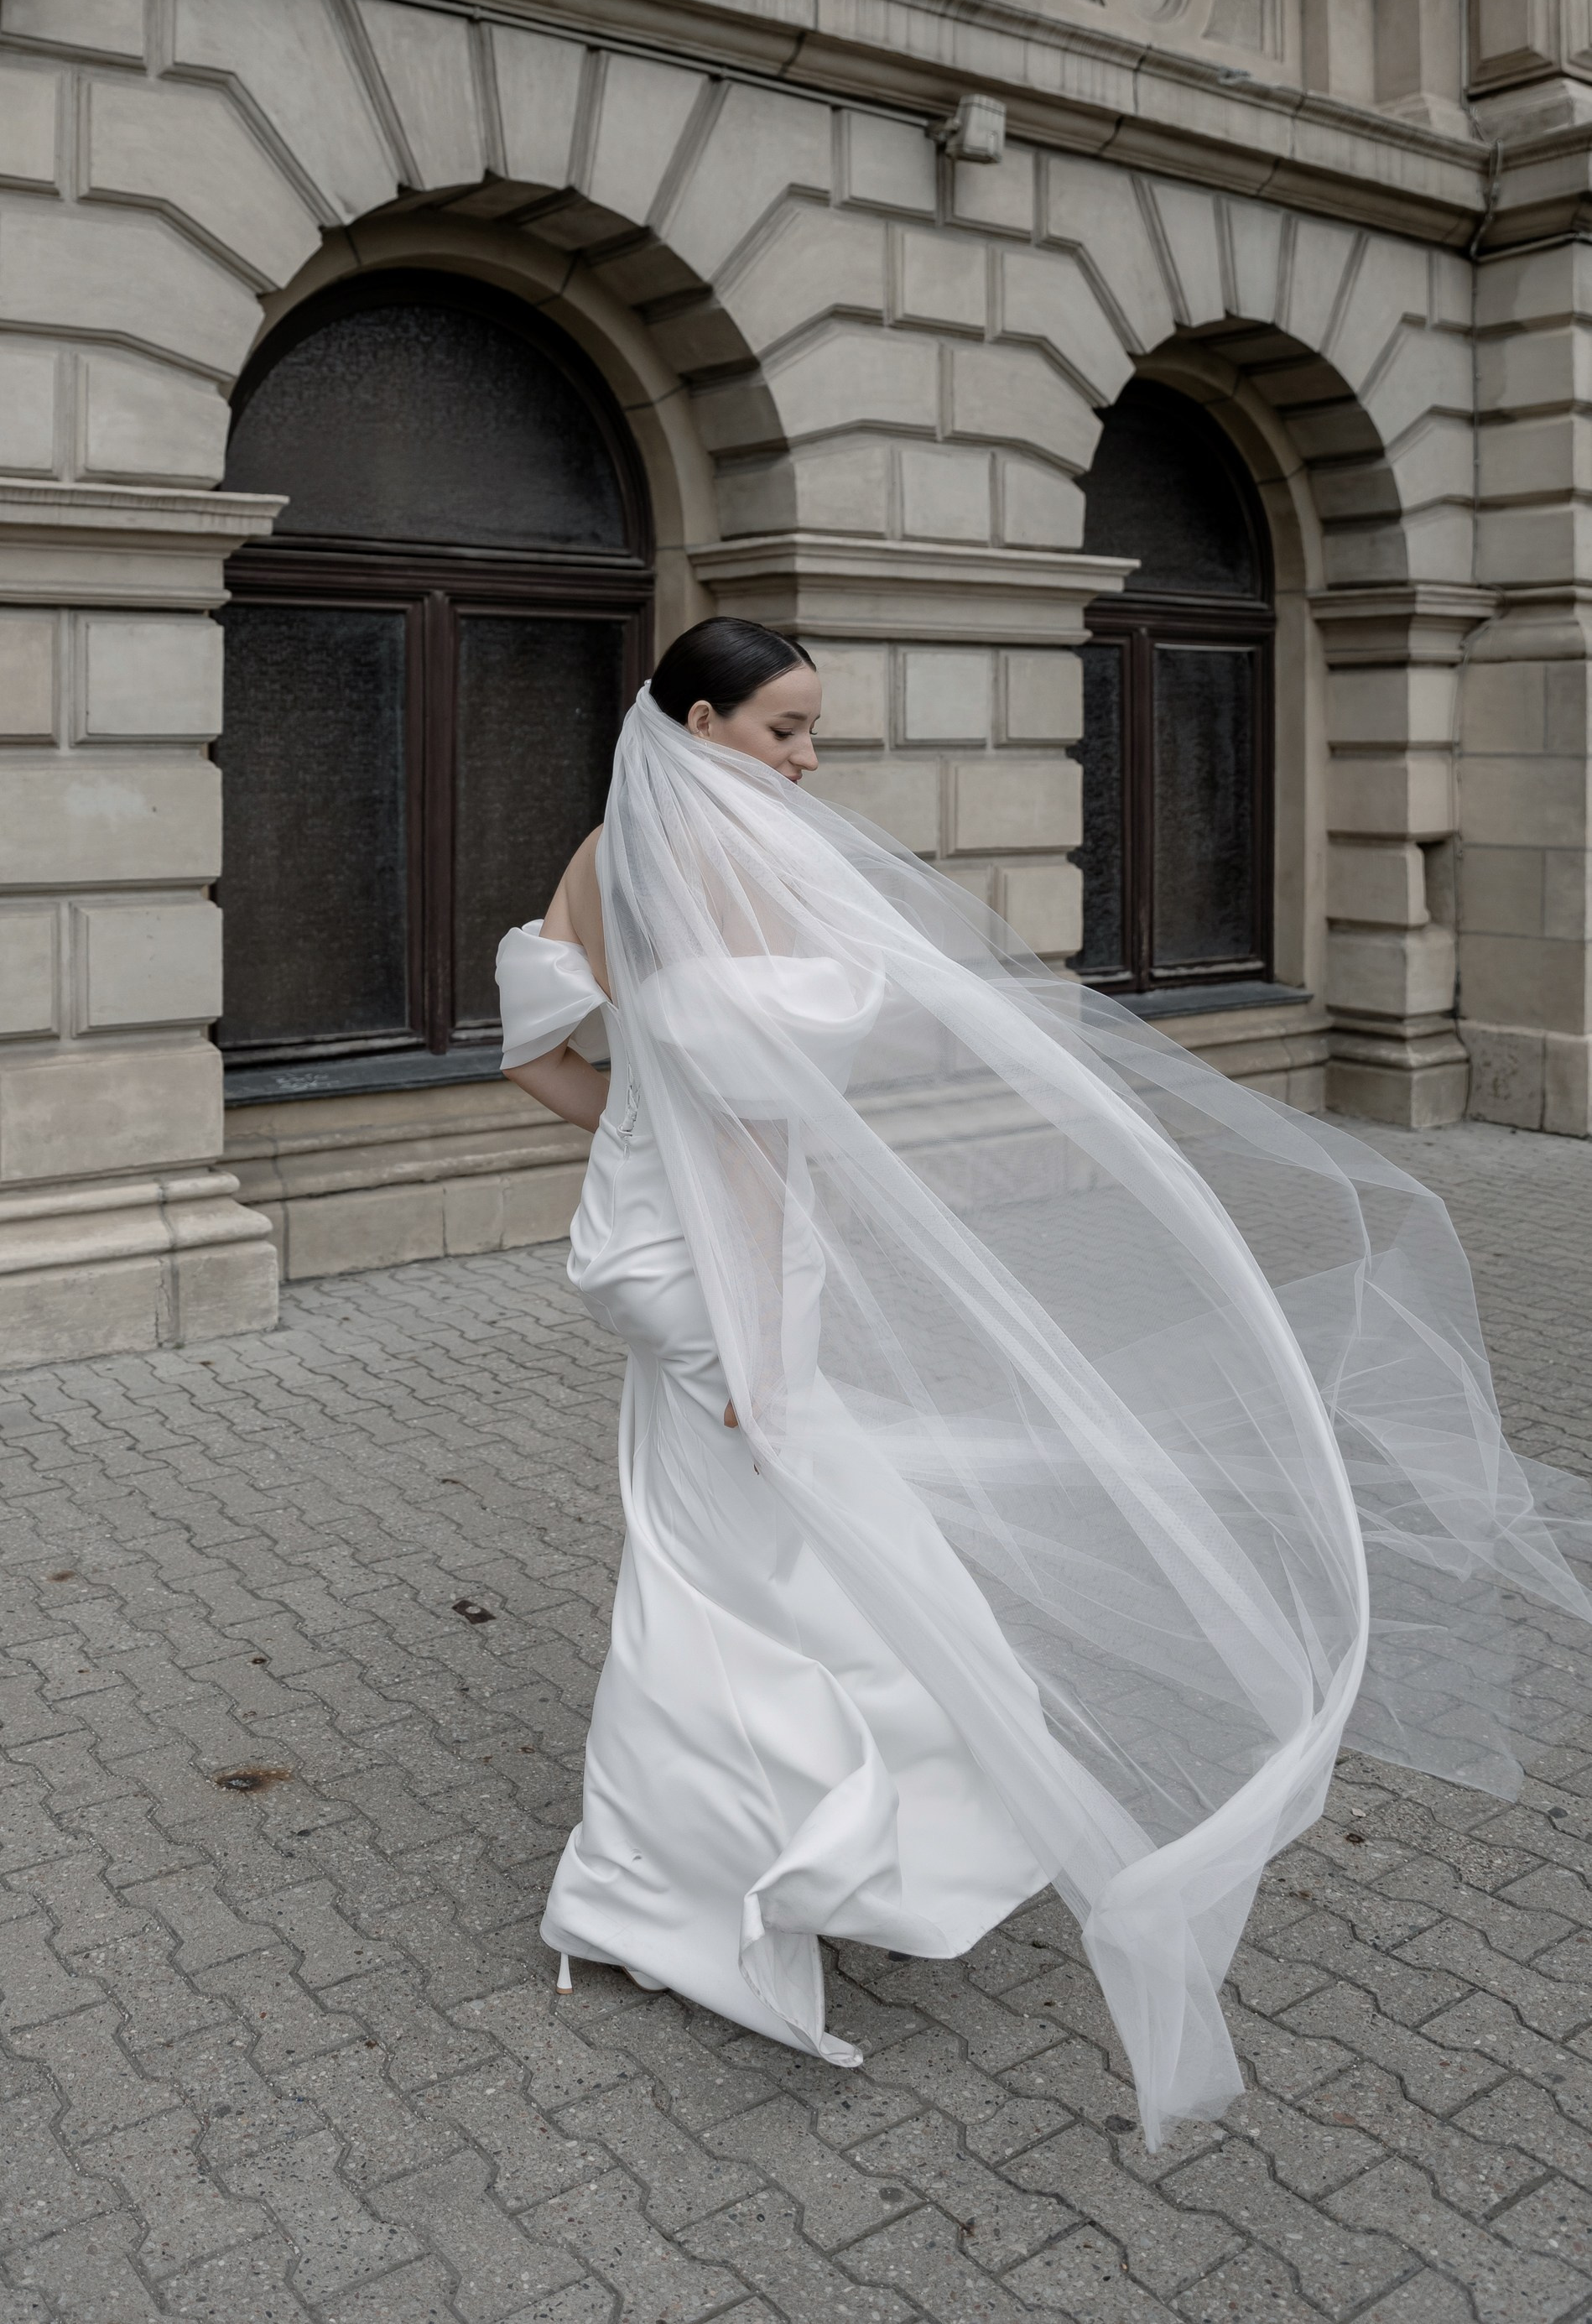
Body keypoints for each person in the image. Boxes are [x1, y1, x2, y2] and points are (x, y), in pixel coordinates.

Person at [497, 618, 1592, 2147]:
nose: (811, 763)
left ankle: (650, 1885)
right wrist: (755, 1331)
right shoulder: (730, 867)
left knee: (710, 1562)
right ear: (699, 718)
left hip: (643, 1251)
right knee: (788, 1568)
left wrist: (643, 1126)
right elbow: (750, 1140)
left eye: (813, 733)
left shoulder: (601, 853)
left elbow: (544, 1065)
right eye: (786, 733)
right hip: (729, 1281)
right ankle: (758, 1865)